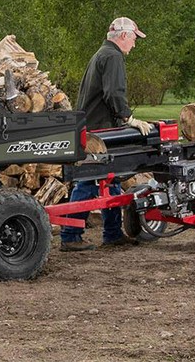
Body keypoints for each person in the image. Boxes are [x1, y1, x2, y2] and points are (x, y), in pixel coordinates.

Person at [60, 17, 154, 251]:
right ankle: (70, 235)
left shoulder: (101, 53)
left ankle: (112, 232)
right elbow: (114, 92)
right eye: (133, 38)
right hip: (99, 130)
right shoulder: (113, 57)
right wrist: (128, 118)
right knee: (89, 181)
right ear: (123, 36)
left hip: (92, 125)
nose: (134, 44)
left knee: (112, 177)